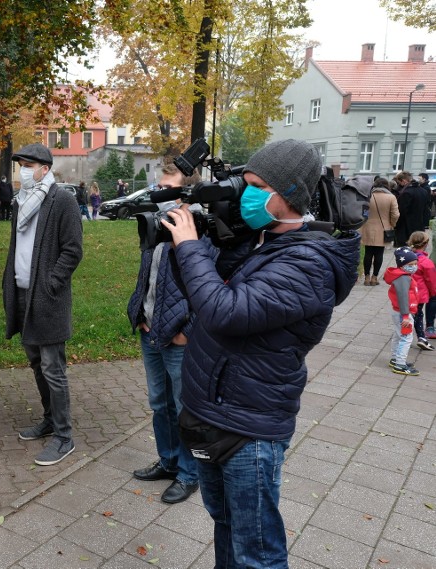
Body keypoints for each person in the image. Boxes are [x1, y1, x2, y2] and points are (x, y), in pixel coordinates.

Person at [160, 139, 359, 568]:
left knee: (258, 552)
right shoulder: (263, 241)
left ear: (288, 195)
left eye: (255, 185)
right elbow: (203, 292)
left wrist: (189, 246)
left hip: (249, 429)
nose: (245, 194)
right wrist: (200, 239)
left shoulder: (308, 261)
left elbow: (224, 312)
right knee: (226, 524)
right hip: (215, 414)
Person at [127, 164, 208, 505]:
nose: (158, 194)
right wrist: (140, 315)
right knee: (160, 404)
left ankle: (190, 475)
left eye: (167, 188)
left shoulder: (201, 231)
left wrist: (188, 331)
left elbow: (208, 288)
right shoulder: (157, 224)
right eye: (158, 186)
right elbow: (149, 277)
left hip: (179, 337)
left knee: (183, 408)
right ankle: (169, 460)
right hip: (151, 330)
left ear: (186, 193)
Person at [3, 143, 82, 466]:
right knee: (36, 362)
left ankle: (64, 436)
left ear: (44, 169)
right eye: (20, 164)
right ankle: (50, 419)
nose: (23, 169)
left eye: (28, 164)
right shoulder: (21, 202)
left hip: (46, 297)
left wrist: (51, 283)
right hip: (22, 294)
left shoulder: (61, 200)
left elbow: (73, 250)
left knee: (53, 367)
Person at [385, 247, 421, 375]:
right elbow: (403, 297)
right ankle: (400, 364)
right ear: (401, 265)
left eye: (415, 264)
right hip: (403, 313)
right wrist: (406, 315)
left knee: (398, 335)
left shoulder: (402, 275)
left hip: (399, 312)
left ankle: (395, 358)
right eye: (410, 265)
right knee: (406, 337)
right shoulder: (403, 278)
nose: (414, 267)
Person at [360, 177, 399, 285]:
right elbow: (395, 214)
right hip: (384, 228)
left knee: (368, 253)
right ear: (387, 186)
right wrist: (392, 224)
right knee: (379, 253)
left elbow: (362, 212)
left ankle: (366, 277)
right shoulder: (391, 197)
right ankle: (374, 278)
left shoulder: (367, 196)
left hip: (367, 227)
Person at [407, 231, 436, 351]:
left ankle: (418, 336)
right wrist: (433, 292)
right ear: (426, 244)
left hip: (406, 291)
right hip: (419, 293)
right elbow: (431, 280)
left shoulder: (406, 257)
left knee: (409, 313)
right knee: (417, 314)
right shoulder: (426, 262)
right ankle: (420, 337)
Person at [394, 171, 429, 247]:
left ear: (404, 181)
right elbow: (426, 209)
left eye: (399, 182)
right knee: (418, 249)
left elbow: (402, 211)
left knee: (406, 252)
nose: (399, 185)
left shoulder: (406, 193)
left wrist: (396, 225)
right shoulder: (423, 191)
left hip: (407, 228)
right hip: (420, 225)